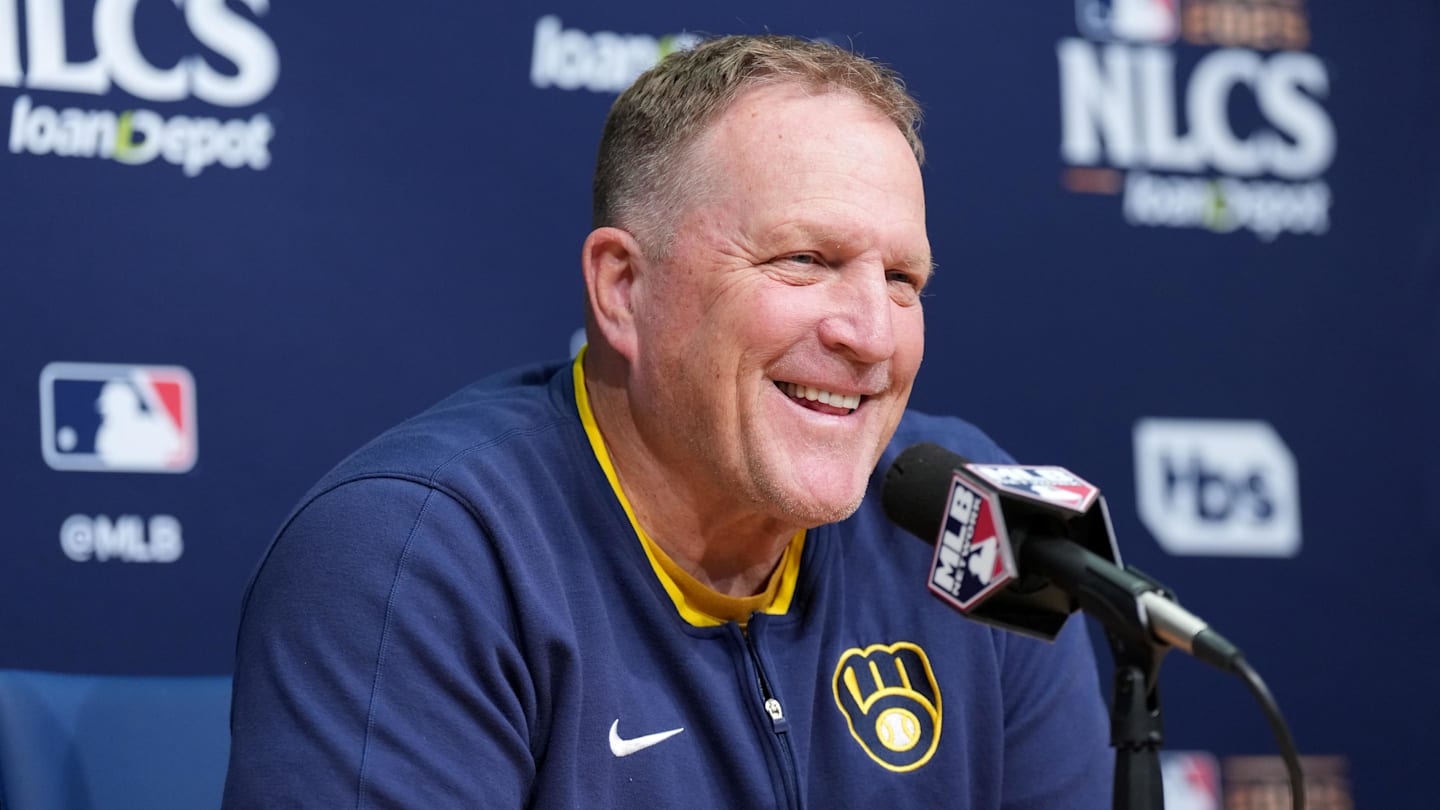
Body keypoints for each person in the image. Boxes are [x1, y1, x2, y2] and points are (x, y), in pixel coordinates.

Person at [223, 34, 1112, 808]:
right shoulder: (416, 556)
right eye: (805, 260)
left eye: (902, 281)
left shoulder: (980, 524)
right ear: (623, 289)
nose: (872, 335)